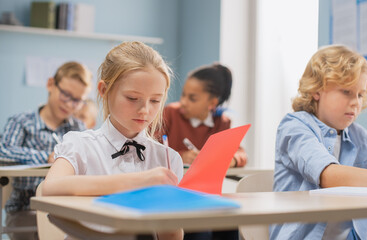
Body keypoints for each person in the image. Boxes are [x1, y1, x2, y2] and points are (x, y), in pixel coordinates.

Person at [270, 45, 367, 240]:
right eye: (346, 92)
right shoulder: (294, 127)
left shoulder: (360, 137)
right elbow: (328, 175)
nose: (356, 102)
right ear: (317, 90)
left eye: (360, 94)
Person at [42, 41, 184, 240]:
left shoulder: (168, 158)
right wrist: (140, 181)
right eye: (132, 98)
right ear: (103, 90)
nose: (145, 110)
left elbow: (170, 235)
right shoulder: (80, 144)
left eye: (155, 101)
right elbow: (50, 189)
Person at [0, 61, 92, 240]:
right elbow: (3, 150)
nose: (69, 104)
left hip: (65, 208)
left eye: (77, 101)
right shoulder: (21, 121)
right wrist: (46, 157)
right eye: (65, 94)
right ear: (51, 84)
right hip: (24, 210)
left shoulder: (78, 128)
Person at [159, 63, 247, 169]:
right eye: (183, 94)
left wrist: (229, 160)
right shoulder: (170, 113)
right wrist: (181, 156)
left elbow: (240, 153)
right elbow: (149, 150)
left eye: (192, 99)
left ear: (212, 103)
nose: (183, 102)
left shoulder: (221, 122)